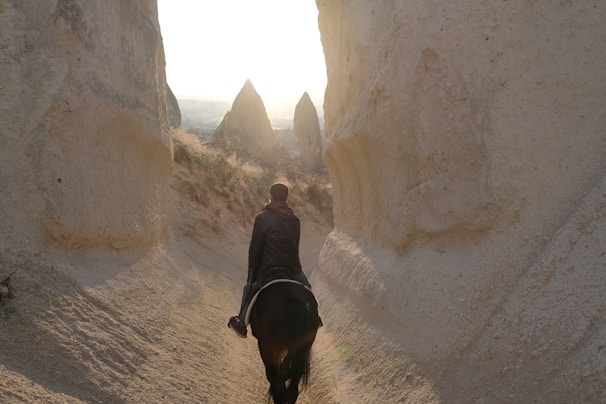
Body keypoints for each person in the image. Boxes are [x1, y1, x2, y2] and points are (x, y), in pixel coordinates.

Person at [228, 182, 311, 338]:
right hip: (292, 269)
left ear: (270, 197)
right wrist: (295, 269)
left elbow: (255, 250)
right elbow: (295, 247)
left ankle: (241, 323)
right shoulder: (295, 220)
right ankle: (316, 319)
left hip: (267, 269)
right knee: (308, 290)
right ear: (287, 199)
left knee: (249, 290)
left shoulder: (262, 218)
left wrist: (252, 277)